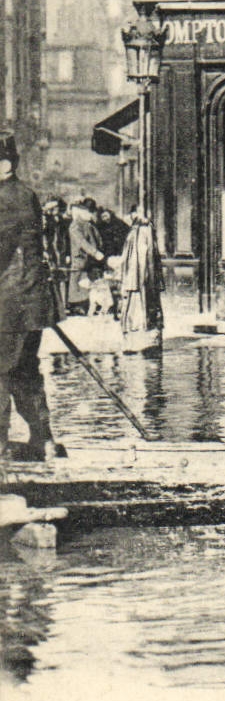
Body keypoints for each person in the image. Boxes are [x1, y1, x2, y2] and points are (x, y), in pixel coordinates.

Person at [0, 132, 63, 461]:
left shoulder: (7, 197)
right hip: (28, 304)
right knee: (25, 374)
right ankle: (44, 441)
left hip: (9, 304)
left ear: (6, 164)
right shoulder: (24, 194)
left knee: (3, 373)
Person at [65, 199, 107, 317]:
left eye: (92, 212)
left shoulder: (90, 225)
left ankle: (89, 304)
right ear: (82, 211)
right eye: (89, 212)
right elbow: (82, 242)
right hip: (80, 259)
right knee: (78, 282)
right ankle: (76, 305)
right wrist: (95, 252)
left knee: (90, 283)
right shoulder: (75, 226)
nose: (91, 215)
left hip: (91, 260)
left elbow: (98, 240)